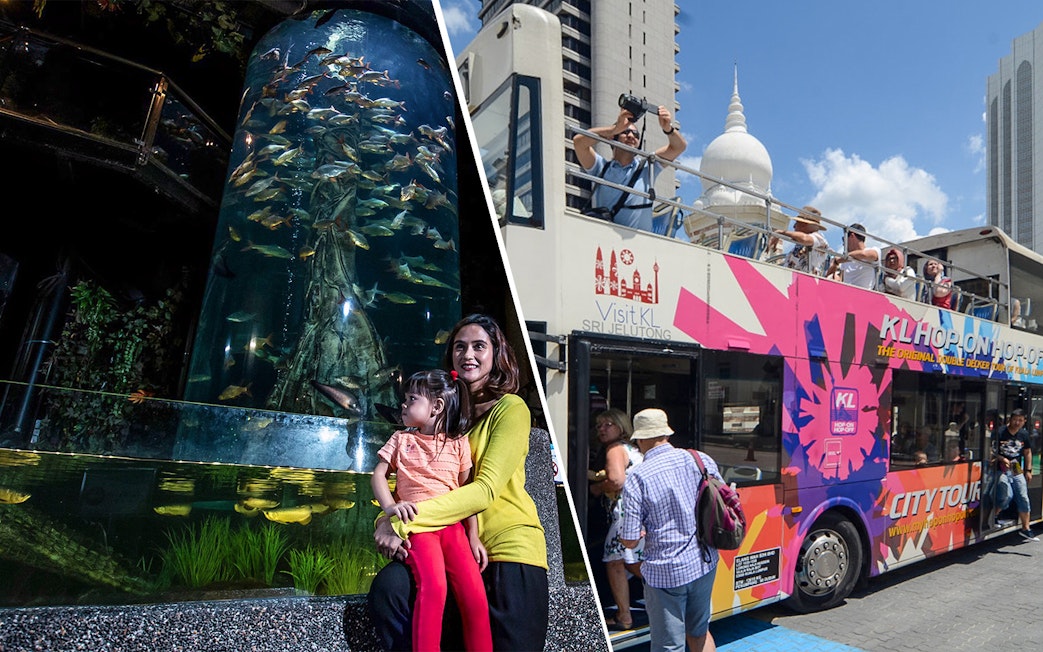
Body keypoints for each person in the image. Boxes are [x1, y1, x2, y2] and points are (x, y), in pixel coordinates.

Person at [368, 314, 550, 651]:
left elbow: (482, 490)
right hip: (447, 545)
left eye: (479, 346)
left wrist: (402, 524)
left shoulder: (511, 408)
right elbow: (413, 481)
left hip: (507, 551)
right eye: (459, 347)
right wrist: (386, 518)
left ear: (497, 354)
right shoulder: (444, 421)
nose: (468, 354)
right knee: (388, 589)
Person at [370, 369, 492, 652]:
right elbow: (378, 476)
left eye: (411, 399)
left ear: (436, 406)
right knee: (434, 587)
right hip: (418, 526)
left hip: (453, 528)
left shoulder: (459, 443)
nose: (403, 405)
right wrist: (391, 509)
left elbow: (467, 495)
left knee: (474, 595)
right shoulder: (401, 439)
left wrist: (473, 536)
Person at [619, 408, 720, 652]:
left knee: (669, 646)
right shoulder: (700, 459)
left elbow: (630, 540)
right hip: (704, 562)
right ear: (665, 434)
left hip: (666, 573)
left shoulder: (638, 476)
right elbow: (722, 500)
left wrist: (639, 533)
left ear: (642, 439)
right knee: (699, 632)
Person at [573, 104, 687, 233]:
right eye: (625, 131)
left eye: (636, 134)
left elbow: (678, 147)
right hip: (606, 244)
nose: (631, 136)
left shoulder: (648, 167)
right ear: (613, 137)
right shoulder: (600, 167)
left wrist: (668, 129)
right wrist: (613, 129)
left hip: (639, 246)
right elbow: (579, 142)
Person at [589, 408, 644, 631]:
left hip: (624, 514)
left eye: (608, 424)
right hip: (639, 513)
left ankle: (624, 616)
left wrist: (596, 488)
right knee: (631, 562)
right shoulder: (633, 449)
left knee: (615, 563)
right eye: (599, 426)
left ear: (621, 427)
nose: (602, 429)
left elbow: (616, 480)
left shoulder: (614, 449)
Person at [988, 409, 1038, 540]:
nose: (1017, 422)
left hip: (1015, 466)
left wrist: (1028, 470)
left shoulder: (1024, 434)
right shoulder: (999, 432)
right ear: (1010, 419)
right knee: (1006, 495)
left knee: (1023, 495)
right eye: (1015, 419)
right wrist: (1001, 458)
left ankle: (1026, 528)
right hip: (1001, 466)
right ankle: (994, 515)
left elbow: (1027, 452)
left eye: (1020, 420)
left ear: (1024, 421)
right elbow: (990, 451)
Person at [768, 206, 829, 275]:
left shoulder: (819, 238)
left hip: (805, 280)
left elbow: (805, 239)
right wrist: (778, 236)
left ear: (804, 224)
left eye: (797, 222)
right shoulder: (800, 241)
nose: (794, 226)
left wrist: (781, 232)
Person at [825, 223, 881, 289]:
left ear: (852, 236)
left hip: (864, 295)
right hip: (847, 294)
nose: (843, 243)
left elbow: (866, 255)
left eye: (844, 239)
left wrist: (846, 256)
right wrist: (834, 264)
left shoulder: (874, 250)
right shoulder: (844, 260)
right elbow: (838, 278)